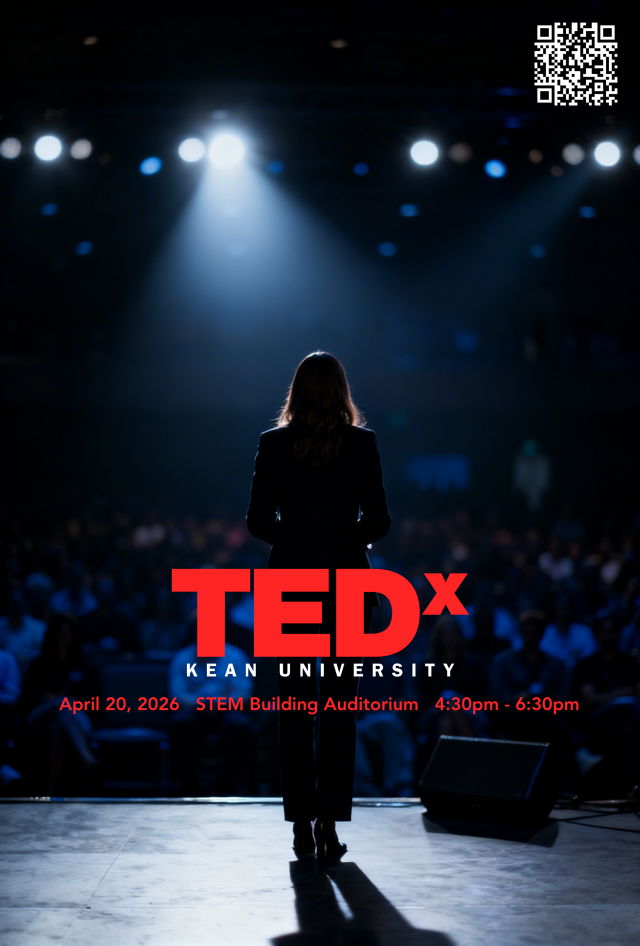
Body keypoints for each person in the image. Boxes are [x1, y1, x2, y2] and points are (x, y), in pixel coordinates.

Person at [246, 351, 391, 858]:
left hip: (290, 584)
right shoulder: (362, 444)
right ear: (341, 391)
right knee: (338, 711)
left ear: (297, 391)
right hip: (346, 583)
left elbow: (258, 521)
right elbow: (378, 521)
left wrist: (299, 540)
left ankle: (301, 827)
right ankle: (328, 824)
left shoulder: (273, 443)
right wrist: (339, 540)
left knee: (294, 710)